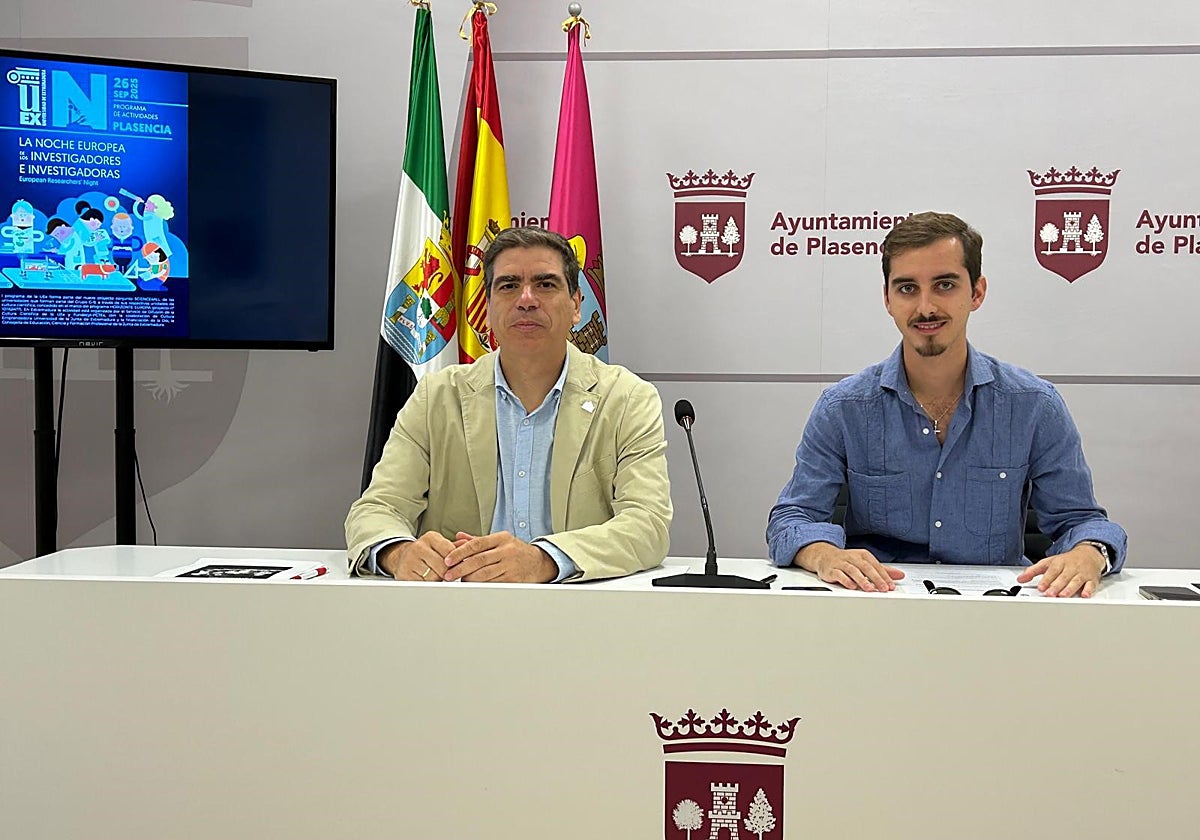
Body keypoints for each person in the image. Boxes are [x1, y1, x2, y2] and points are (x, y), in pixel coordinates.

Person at [766, 211, 1127, 598]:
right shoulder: (843, 408)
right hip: (877, 606)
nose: (925, 307)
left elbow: (1081, 521)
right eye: (907, 288)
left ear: (976, 293)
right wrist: (822, 554)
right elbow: (792, 518)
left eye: (944, 285)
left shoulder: (1034, 406)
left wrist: (1089, 553)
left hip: (995, 613)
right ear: (887, 298)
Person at [346, 226, 672, 583]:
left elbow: (648, 524)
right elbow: (378, 509)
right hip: (459, 604)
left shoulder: (627, 399)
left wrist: (543, 561)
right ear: (487, 307)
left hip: (577, 605)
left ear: (576, 305)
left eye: (545, 284)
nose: (526, 299)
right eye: (509, 285)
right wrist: (398, 553)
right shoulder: (436, 397)